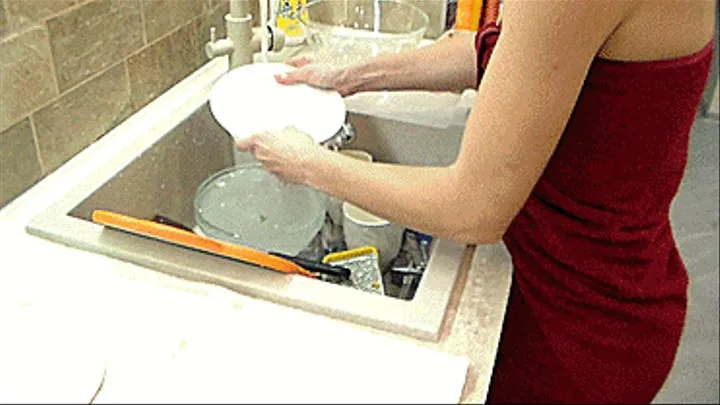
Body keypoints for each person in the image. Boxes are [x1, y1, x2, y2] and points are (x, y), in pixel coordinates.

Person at [237, 0, 716, 402]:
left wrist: (307, 165)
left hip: (575, 325)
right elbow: (505, 51)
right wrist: (353, 75)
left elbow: (472, 210)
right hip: (615, 288)